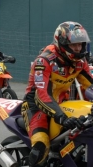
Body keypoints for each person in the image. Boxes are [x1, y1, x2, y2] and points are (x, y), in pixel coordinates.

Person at [21, 21, 93, 167]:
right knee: (41, 145)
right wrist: (62, 117)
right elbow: (42, 95)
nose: (78, 48)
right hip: (36, 105)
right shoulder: (45, 60)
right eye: (74, 45)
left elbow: (90, 84)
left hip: (61, 104)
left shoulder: (80, 61)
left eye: (80, 44)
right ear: (62, 44)